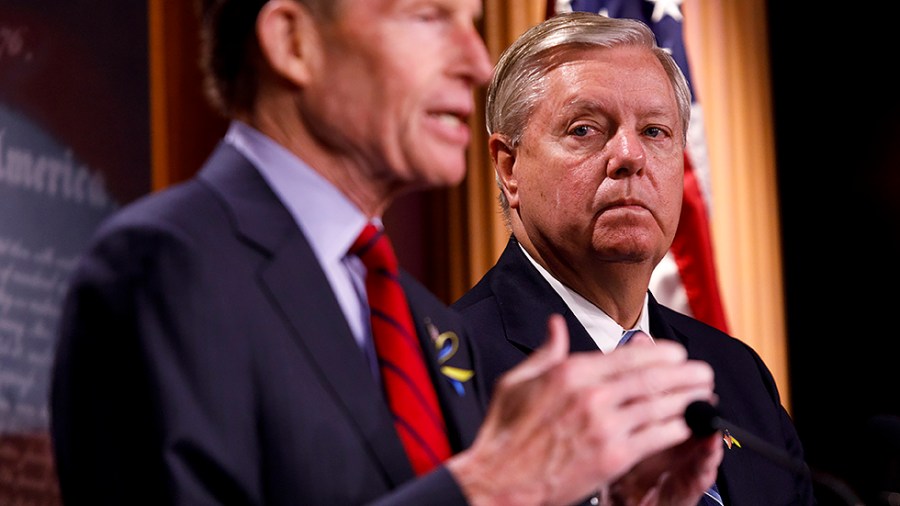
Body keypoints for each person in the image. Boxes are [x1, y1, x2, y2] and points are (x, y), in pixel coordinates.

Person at [50, 1, 723, 505]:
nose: (477, 62)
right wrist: (489, 486)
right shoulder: (165, 267)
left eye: (472, 19)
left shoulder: (429, 326)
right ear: (293, 41)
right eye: (430, 17)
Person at [452, 11, 816, 506]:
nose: (629, 155)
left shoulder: (738, 373)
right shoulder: (454, 370)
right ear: (509, 167)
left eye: (655, 132)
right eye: (584, 129)